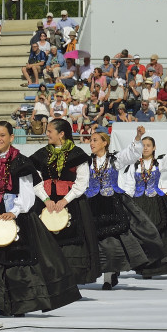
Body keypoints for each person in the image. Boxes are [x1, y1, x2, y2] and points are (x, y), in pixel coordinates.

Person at [0, 121, 80, 317]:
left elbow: (27, 192)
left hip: (18, 215)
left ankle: (18, 304)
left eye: (2, 135)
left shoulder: (22, 162)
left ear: (11, 137)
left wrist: (15, 211)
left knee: (19, 261)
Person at [85, 128, 167, 288]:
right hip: (91, 202)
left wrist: (138, 138)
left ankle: (109, 276)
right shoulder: (87, 162)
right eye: (90, 140)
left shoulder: (115, 160)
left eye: (95, 140)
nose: (91, 143)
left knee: (113, 239)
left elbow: (131, 153)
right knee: (94, 240)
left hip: (111, 203)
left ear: (104, 142)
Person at [30, 118, 100, 285]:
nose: (47, 134)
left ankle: (70, 279)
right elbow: (35, 180)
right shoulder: (41, 154)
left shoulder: (77, 155)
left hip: (72, 202)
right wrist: (46, 199)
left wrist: (65, 200)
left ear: (61, 134)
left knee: (72, 239)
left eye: (50, 131)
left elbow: (82, 183)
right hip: (45, 203)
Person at [119, 132, 167, 272]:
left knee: (158, 231)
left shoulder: (159, 163)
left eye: (148, 145)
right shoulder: (134, 166)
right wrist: (127, 201)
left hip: (156, 201)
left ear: (154, 147)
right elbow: (129, 185)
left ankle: (158, 264)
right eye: (143, 145)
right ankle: (142, 264)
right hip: (138, 202)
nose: (145, 148)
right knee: (139, 232)